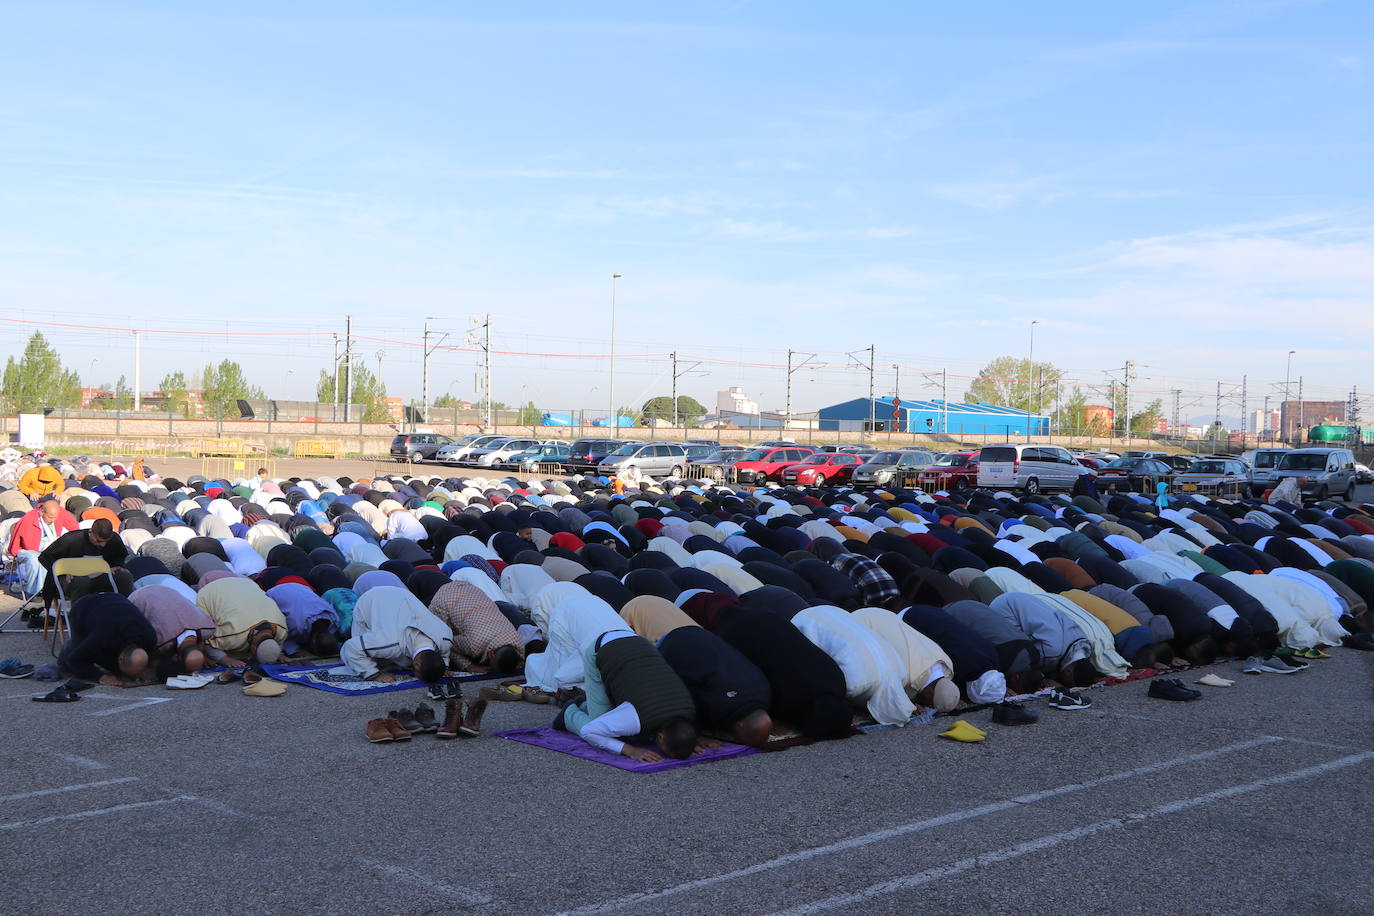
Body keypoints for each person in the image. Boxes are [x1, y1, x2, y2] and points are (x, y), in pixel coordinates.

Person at [556, 629, 700, 763]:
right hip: (601, 649)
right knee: (600, 726)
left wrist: (685, 743)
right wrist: (629, 750)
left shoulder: (689, 710)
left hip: (638, 641)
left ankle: (586, 704)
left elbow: (682, 732)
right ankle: (570, 714)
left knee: (621, 724)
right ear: (661, 737)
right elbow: (590, 732)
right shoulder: (637, 717)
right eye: (665, 752)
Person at [713, 604, 854, 739]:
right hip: (739, 630)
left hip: (767, 617)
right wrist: (767, 718)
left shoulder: (838, 681)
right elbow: (761, 687)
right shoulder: (793, 697)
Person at [339, 585, 453, 684]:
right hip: (373, 598)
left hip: (402, 595)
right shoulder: (389, 641)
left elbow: (444, 654)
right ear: (416, 664)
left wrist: (443, 668)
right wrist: (374, 675)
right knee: (370, 658)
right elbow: (351, 647)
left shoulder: (445, 637)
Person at [36, 518, 128, 620]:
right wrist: (63, 570)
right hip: (70, 579)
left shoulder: (114, 539)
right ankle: (79, 621)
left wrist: (117, 565)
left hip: (100, 578)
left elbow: (120, 556)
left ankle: (124, 616)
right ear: (90, 532)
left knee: (124, 577)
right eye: (99, 541)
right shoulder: (71, 539)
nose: (103, 545)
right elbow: (44, 557)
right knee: (81, 580)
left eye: (106, 541)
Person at [58, 592, 156, 687]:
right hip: (84, 607)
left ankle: (124, 670)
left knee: (116, 668)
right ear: (120, 659)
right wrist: (100, 676)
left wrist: (146, 671)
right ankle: (66, 651)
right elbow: (75, 660)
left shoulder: (150, 636)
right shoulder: (101, 638)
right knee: (72, 661)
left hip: (115, 601)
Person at [427, 581, 523, 673]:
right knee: (436, 638)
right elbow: (447, 643)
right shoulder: (474, 645)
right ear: (491, 653)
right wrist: (469, 666)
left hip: (469, 589)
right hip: (444, 600)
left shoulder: (518, 640)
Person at [195, 575, 288, 665]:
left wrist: (276, 654)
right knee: (204, 631)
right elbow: (208, 641)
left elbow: (275, 644)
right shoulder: (234, 634)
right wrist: (225, 659)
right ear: (253, 648)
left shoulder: (282, 630)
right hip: (212, 590)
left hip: (247, 584)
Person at [129, 584, 215, 676]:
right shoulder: (162, 641)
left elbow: (200, 642)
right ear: (178, 657)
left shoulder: (205, 627)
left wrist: (200, 655)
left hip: (166, 589)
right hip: (139, 596)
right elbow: (152, 661)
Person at [7, 498, 78, 604]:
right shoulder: (29, 519)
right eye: (50, 517)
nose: (53, 520)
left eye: (55, 517)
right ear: (42, 512)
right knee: (36, 559)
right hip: (28, 550)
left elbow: (75, 527)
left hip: (49, 546)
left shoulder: (59, 512)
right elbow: (28, 545)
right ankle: (35, 591)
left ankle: (62, 588)